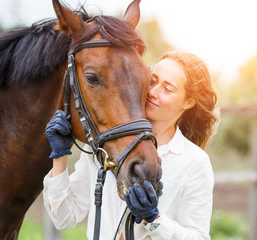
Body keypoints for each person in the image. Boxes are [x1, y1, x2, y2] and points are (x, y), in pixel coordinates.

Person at [43, 51, 219, 239]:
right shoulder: (104, 141)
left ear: (188, 101)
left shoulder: (195, 162)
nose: (153, 92)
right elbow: (64, 218)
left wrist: (154, 220)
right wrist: (59, 156)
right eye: (153, 80)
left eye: (167, 88)